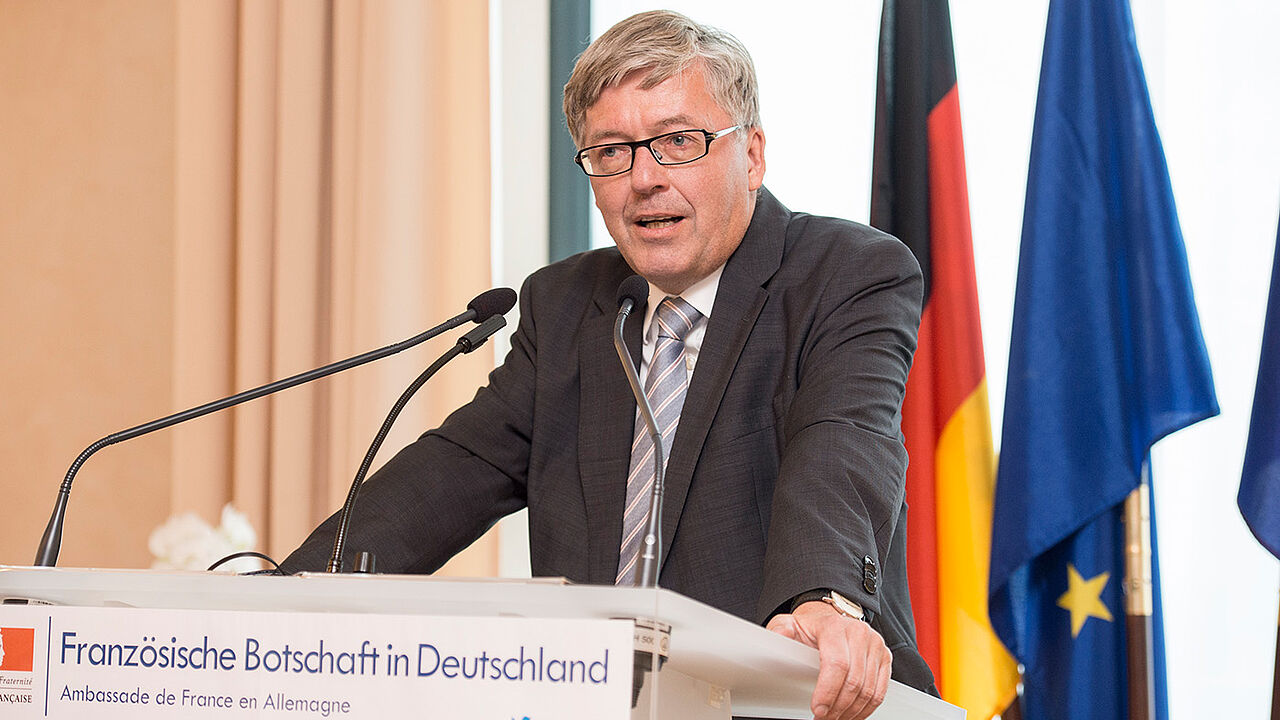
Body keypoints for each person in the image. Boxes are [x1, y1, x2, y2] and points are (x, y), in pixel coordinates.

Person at [282, 10, 936, 719]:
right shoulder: (567, 305)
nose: (644, 179)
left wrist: (823, 599)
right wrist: (288, 596)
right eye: (612, 151)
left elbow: (842, 441)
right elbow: (453, 470)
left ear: (751, 154)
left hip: (790, 698)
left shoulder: (845, 274)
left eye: (679, 141)